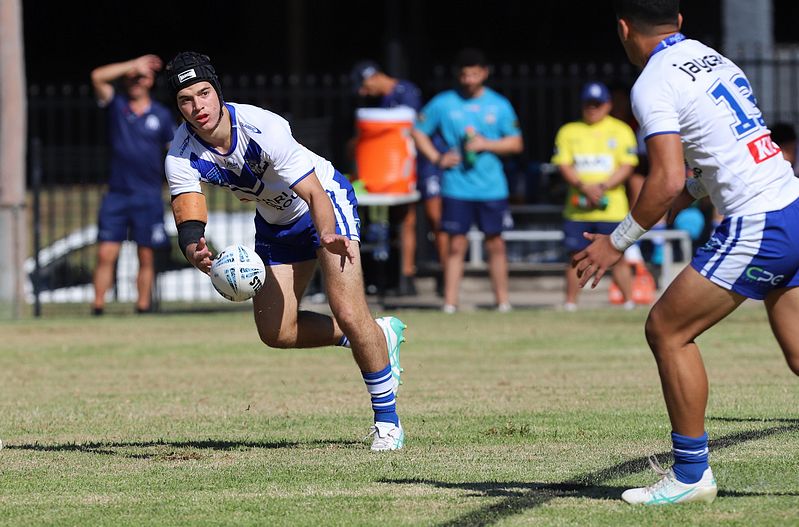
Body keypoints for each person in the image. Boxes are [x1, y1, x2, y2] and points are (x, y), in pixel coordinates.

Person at [575, 0, 799, 505]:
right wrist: (694, 192)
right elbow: (728, 149)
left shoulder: (652, 83)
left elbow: (666, 178)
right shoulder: (712, 57)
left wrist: (616, 243)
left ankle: (692, 475)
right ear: (679, 22)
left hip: (759, 223)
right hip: (792, 204)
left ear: (623, 28)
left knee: (667, 330)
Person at [162, 52, 407, 451]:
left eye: (204, 93)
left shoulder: (263, 127)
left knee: (347, 308)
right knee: (277, 331)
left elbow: (313, 192)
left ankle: (388, 421)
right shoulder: (181, 152)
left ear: (218, 92)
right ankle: (372, 336)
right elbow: (188, 208)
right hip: (276, 222)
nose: (197, 106)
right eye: (185, 100)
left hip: (324, 203)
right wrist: (192, 245)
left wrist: (328, 234)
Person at [412, 48, 523, 313]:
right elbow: (417, 131)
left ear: (484, 73)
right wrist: (438, 158)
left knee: (496, 243)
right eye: (465, 75)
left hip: (492, 186)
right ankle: (450, 302)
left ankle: (502, 301)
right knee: (456, 243)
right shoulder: (443, 103)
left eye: (474, 74)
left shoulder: (499, 104)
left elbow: (516, 143)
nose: (469, 80)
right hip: (456, 186)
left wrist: (488, 144)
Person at [90, 55, 175, 315]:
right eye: (133, 77)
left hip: (148, 195)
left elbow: (175, 152)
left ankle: (143, 306)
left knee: (146, 255)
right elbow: (97, 76)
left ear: (151, 82)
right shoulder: (117, 106)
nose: (137, 81)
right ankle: (98, 307)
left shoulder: (161, 115)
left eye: (143, 77)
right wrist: (133, 64)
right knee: (106, 253)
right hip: (117, 194)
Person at [552, 81, 638, 311]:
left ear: (608, 105)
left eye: (597, 104)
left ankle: (629, 301)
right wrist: (584, 186)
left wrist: (600, 187)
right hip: (578, 208)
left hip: (612, 208)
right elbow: (563, 164)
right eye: (588, 104)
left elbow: (627, 165)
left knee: (617, 255)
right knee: (575, 256)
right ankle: (570, 303)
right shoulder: (569, 131)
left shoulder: (621, 130)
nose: (592, 108)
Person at [350, 60, 425, 296]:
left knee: (406, 220)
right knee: (381, 222)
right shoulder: (378, 102)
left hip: (403, 168)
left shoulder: (407, 93)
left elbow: (408, 126)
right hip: (380, 173)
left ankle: (406, 275)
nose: (364, 93)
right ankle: (378, 276)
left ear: (372, 77)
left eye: (364, 87)